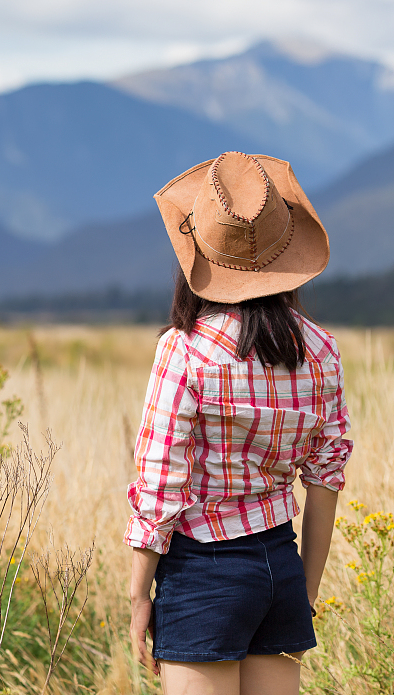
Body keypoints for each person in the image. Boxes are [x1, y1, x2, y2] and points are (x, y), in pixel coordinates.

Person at [124, 151, 353, 695]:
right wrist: (305, 591)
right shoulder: (321, 350)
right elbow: (326, 480)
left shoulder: (184, 351)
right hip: (280, 564)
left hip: (202, 570)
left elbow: (160, 486)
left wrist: (138, 597)